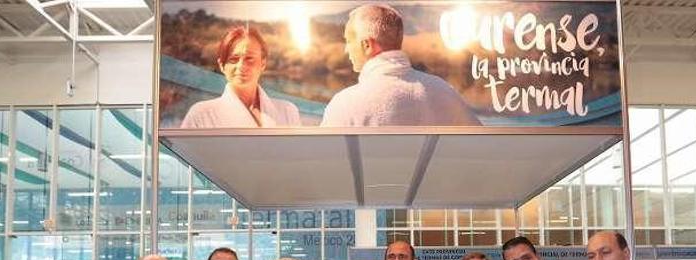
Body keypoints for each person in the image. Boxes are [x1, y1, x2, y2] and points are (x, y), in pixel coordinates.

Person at [321, 4, 481, 127]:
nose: (346, 48)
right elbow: (482, 146)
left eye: (349, 41)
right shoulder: (444, 93)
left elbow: (322, 162)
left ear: (367, 45)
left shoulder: (344, 104)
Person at [181, 26, 301, 128]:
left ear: (263, 64)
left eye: (249, 59)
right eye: (233, 59)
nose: (241, 66)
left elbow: (299, 155)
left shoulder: (287, 111)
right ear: (222, 66)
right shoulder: (201, 114)